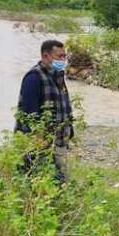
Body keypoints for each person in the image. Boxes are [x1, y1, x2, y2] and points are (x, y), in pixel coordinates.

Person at [15, 39, 74, 183]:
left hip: (59, 141)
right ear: (46, 56)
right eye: (59, 56)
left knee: (60, 180)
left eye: (64, 56)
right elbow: (29, 114)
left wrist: (70, 130)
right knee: (40, 180)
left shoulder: (58, 76)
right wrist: (38, 141)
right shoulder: (34, 78)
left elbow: (64, 106)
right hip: (40, 143)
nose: (63, 60)